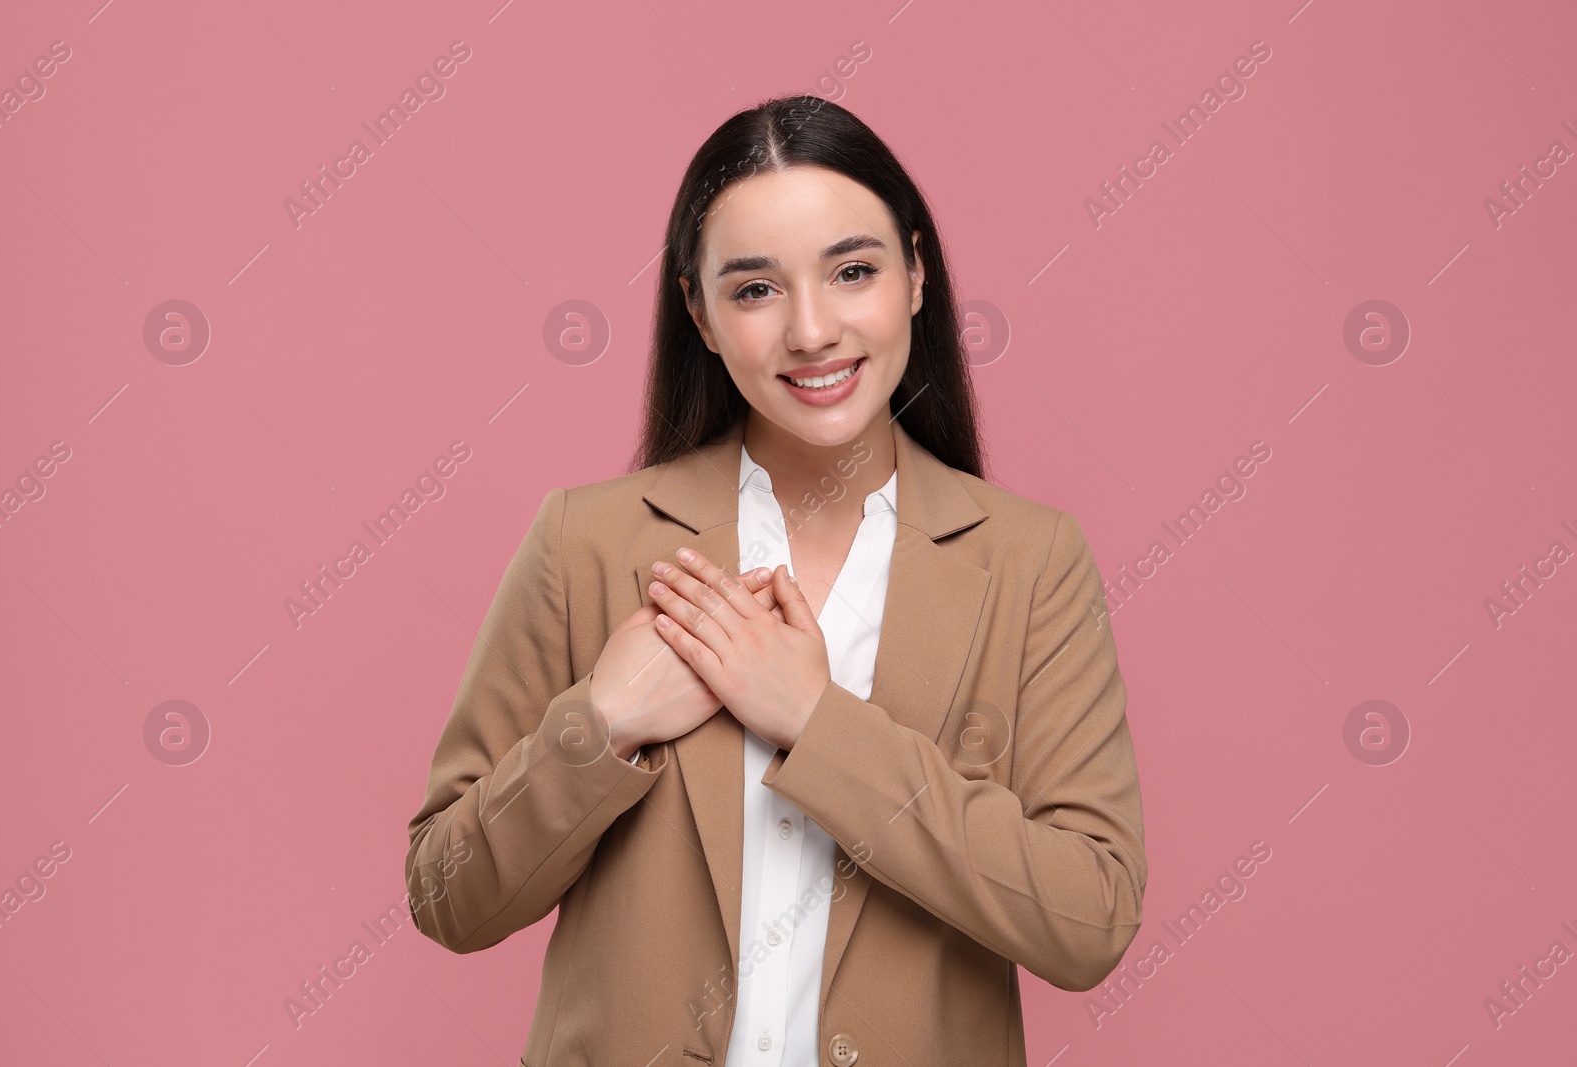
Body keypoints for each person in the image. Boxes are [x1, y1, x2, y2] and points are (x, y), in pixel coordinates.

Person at [405, 94, 1147, 1067]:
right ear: (699, 314)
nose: (810, 330)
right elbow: (446, 893)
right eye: (754, 289)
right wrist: (600, 723)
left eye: (852, 271)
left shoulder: (1029, 560)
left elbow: (1088, 918)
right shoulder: (585, 541)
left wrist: (817, 720)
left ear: (915, 275)